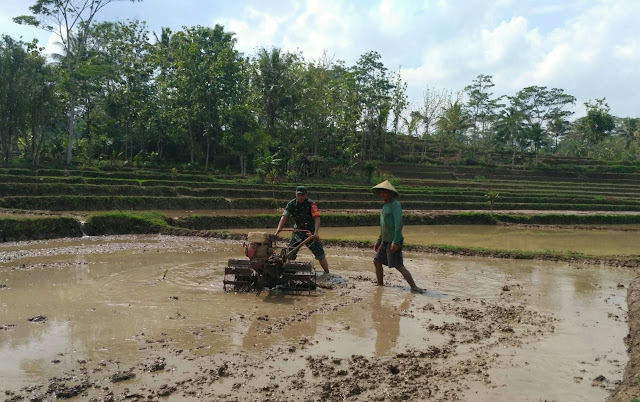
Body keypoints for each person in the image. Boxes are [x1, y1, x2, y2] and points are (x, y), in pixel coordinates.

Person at [371, 180, 421, 292]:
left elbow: (399, 224)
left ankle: (414, 287)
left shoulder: (395, 205)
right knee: (377, 261)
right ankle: (380, 285)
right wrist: (379, 241)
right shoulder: (385, 205)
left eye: (384, 192)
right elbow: (384, 225)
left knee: (398, 265)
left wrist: (396, 241)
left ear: (390, 193)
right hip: (385, 240)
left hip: (393, 240)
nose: (382, 195)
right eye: (380, 193)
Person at [275, 185, 330, 274]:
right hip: (298, 232)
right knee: (290, 253)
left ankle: (327, 273)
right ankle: (287, 272)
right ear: (295, 195)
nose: (300, 197)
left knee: (320, 254)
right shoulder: (291, 204)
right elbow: (284, 217)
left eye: (302, 195)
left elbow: (317, 218)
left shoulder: (311, 204)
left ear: (306, 195)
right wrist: (278, 230)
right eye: (299, 195)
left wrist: (316, 232)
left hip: (310, 233)